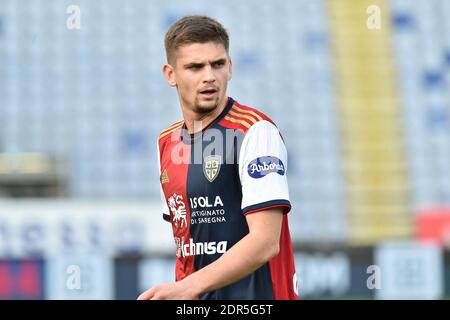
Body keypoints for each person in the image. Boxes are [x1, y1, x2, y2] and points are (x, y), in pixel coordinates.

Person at [138, 15, 298, 300]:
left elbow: (265, 242)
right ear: (170, 74)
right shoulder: (166, 142)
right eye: (195, 67)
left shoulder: (255, 131)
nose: (209, 76)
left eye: (218, 64)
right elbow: (188, 249)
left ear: (231, 67)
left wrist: (187, 287)